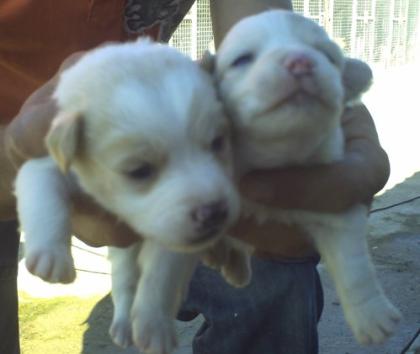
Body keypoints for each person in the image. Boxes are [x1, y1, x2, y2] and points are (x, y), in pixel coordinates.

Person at [0, 1, 390, 354]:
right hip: (51, 131)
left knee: (277, 265)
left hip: (150, 109)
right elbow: (36, 169)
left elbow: (259, 34)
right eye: (141, 170)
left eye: (214, 145)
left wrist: (295, 112)